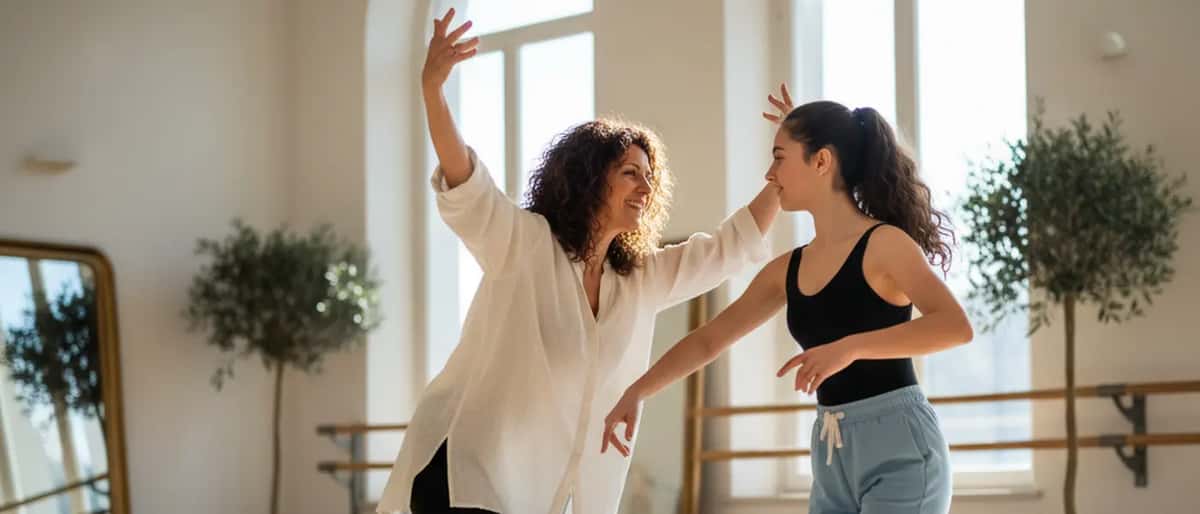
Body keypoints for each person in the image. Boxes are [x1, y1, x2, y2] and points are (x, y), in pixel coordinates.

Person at [377, 9, 784, 514]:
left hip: (536, 496)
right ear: (591, 179)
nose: (645, 187)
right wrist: (434, 92)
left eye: (649, 177)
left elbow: (729, 246)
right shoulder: (525, 246)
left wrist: (788, 165)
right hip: (464, 477)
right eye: (630, 172)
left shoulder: (640, 279)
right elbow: (467, 185)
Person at [602, 93, 974, 514]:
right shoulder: (788, 269)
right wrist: (637, 391)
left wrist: (849, 347)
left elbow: (955, 326)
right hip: (832, 449)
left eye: (779, 158)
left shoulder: (885, 244)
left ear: (821, 162)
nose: (769, 172)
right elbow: (711, 338)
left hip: (900, 446)